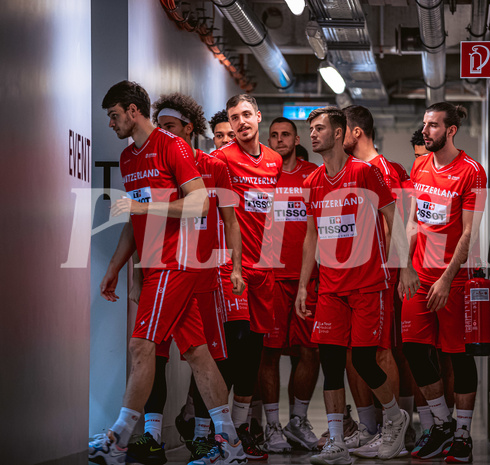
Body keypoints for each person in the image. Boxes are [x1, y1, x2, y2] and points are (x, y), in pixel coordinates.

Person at [89, 80, 246, 465]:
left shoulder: (172, 146)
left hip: (178, 262)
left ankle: (119, 438)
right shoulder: (129, 159)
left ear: (131, 111)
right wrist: (115, 267)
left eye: (113, 116)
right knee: (197, 354)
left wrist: (143, 210)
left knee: (141, 345)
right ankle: (231, 447)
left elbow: (198, 206)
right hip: (156, 263)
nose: (111, 124)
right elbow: (134, 220)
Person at [295, 107, 420, 464]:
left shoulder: (365, 173)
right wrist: (305, 284)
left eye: (319, 128)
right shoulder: (312, 182)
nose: (313, 134)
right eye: (311, 129)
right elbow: (310, 237)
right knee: (331, 361)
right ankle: (336, 442)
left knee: (365, 359)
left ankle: (394, 417)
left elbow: (394, 219)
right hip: (331, 286)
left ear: (339, 133)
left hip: (368, 283)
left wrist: (405, 267)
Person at [401, 102, 487, 463]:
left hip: (454, 279)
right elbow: (413, 221)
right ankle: (442, 424)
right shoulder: (420, 165)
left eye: (434, 125)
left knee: (458, 355)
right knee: (414, 348)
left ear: (451, 130)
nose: (426, 131)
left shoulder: (472, 172)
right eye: (425, 124)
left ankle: (463, 436)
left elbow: (469, 233)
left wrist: (447, 279)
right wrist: (405, 265)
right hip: (419, 275)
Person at [212, 94, 282, 459]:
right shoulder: (219, 160)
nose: (239, 123)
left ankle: (239, 429)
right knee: (233, 348)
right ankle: (216, 430)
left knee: (254, 352)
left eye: (244, 115)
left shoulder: (275, 160)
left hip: (263, 270)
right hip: (229, 267)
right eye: (232, 118)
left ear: (258, 116)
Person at [339, 105, 407, 458]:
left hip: (380, 275)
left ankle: (389, 426)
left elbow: (393, 222)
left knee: (381, 352)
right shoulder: (349, 170)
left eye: (342, 130)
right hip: (351, 275)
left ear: (356, 133)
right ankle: (368, 427)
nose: (337, 136)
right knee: (355, 352)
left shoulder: (380, 169)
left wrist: (399, 271)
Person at [257, 117, 320, 453]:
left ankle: (298, 420)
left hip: (308, 277)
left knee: (311, 350)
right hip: (271, 276)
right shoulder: (264, 172)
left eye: (285, 135)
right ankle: (271, 426)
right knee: (268, 352)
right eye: (274, 136)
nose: (279, 140)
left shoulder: (313, 174)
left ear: (297, 139)